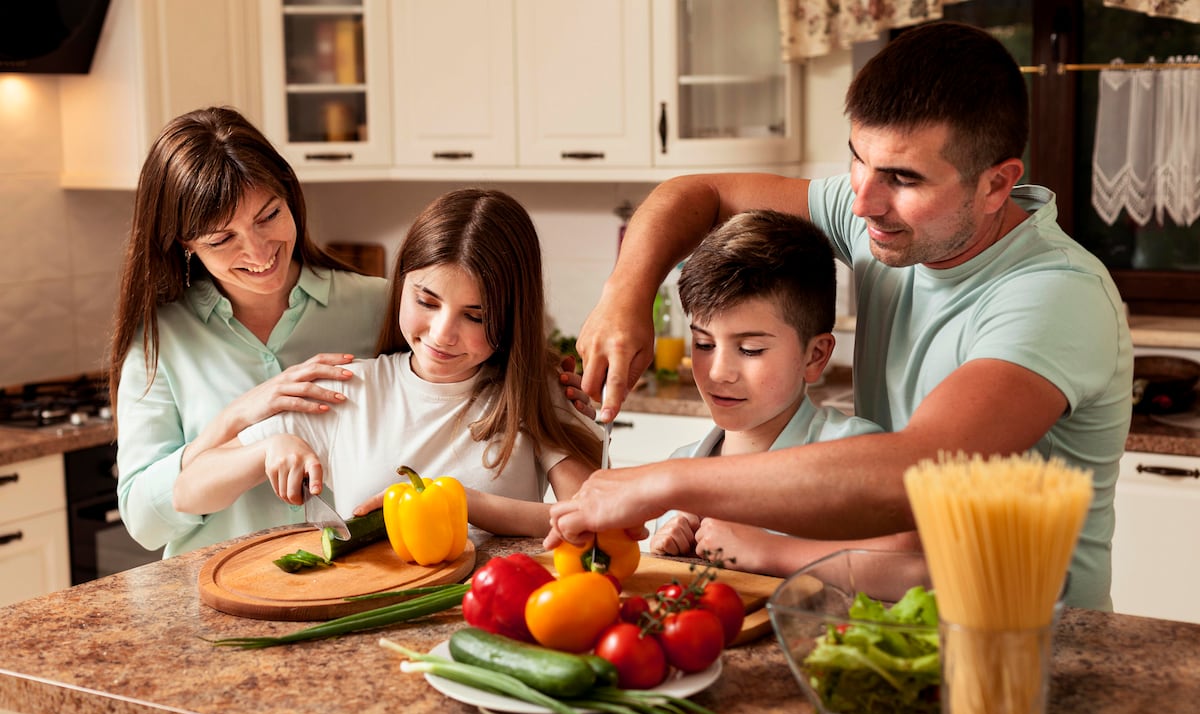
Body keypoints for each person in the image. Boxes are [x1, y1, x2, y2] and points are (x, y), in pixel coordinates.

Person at [548, 21, 1133, 611]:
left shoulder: (1055, 293)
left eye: (904, 178)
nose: (863, 203)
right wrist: (624, 292)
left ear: (996, 184)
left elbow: (919, 473)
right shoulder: (886, 218)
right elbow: (697, 191)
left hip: (1034, 646)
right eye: (858, 160)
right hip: (902, 629)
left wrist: (659, 484)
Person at [173, 189, 603, 540]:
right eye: (426, 301)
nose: (441, 333)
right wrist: (268, 449)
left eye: (476, 316)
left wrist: (459, 502)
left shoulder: (536, 389)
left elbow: (594, 519)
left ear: (513, 317)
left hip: (495, 616)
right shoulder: (349, 388)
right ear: (400, 285)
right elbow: (188, 492)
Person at [110, 107, 390, 559]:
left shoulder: (379, 307)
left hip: (361, 586)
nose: (258, 251)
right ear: (185, 243)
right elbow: (144, 521)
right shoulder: (161, 340)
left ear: (289, 195)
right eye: (222, 240)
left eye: (268, 216)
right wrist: (238, 419)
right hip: (217, 602)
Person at [650, 209, 921, 577]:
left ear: (816, 355)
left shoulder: (853, 452)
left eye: (750, 350)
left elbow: (916, 568)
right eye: (703, 343)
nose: (718, 373)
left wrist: (770, 549)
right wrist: (665, 542)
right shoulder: (677, 471)